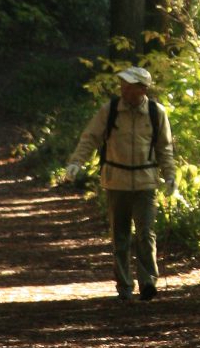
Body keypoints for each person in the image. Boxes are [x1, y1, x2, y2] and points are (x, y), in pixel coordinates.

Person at [64, 65, 176, 302]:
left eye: (130, 86)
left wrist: (170, 176)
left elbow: (165, 148)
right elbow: (90, 138)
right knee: (120, 236)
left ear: (143, 89)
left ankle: (148, 282)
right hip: (116, 182)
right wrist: (76, 163)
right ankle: (124, 285)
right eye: (123, 85)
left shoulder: (157, 113)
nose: (124, 89)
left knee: (146, 234)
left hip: (146, 183)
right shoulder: (110, 110)